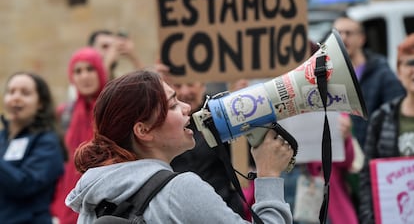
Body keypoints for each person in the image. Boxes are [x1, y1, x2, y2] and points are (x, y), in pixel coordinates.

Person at [65, 70, 294, 224]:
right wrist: (269, 174)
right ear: (143, 131)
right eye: (173, 105)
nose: (186, 107)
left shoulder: (93, 195)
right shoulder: (180, 190)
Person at [333, 15, 405, 211]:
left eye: (349, 33)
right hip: (338, 168)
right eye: (338, 33)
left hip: (370, 163)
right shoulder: (327, 74)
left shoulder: (381, 73)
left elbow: (395, 115)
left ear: (362, 39)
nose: (344, 38)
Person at [169, 81, 246, 218]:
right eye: (178, 85)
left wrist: (243, 112)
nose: (185, 92)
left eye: (191, 84)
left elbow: (246, 157)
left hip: (223, 207)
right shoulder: (163, 124)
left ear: (202, 85)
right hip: (178, 212)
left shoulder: (221, 114)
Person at [359, 33, 414, 224]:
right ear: (398, 71)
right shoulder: (382, 118)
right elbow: (367, 177)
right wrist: (370, 218)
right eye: (410, 63)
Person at [51, 47, 108, 224]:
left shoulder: (112, 109)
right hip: (69, 201)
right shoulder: (64, 113)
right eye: (78, 71)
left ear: (100, 71)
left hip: (105, 197)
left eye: (90, 69)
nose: (84, 76)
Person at [0, 72, 66, 223]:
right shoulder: (2, 137)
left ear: (41, 103)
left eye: (25, 93)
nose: (16, 97)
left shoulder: (47, 142)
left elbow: (25, 185)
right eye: (11, 92)